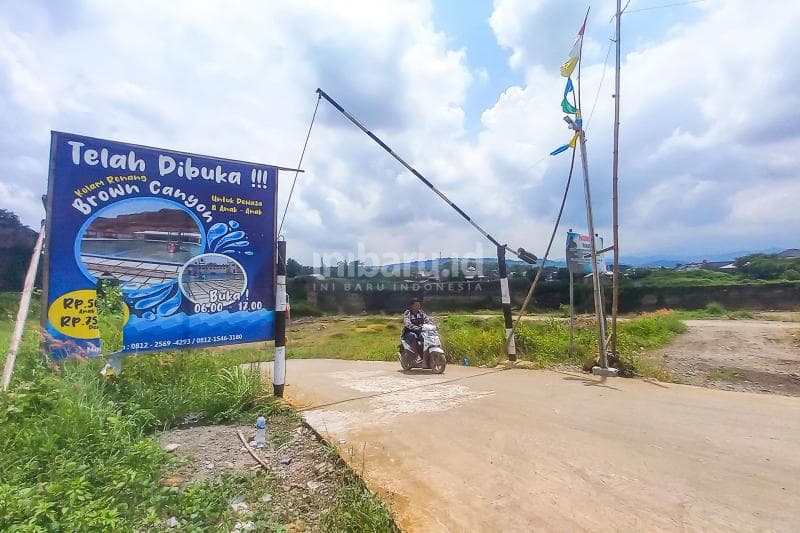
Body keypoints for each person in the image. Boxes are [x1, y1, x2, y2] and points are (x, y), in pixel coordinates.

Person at [403, 298, 431, 364]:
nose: (418, 307)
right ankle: (417, 356)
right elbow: (407, 322)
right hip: (408, 333)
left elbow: (427, 320)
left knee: (426, 338)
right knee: (413, 336)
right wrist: (414, 327)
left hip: (420, 332)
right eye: (416, 305)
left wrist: (433, 326)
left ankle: (427, 355)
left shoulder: (421, 313)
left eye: (419, 305)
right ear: (411, 306)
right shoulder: (408, 313)